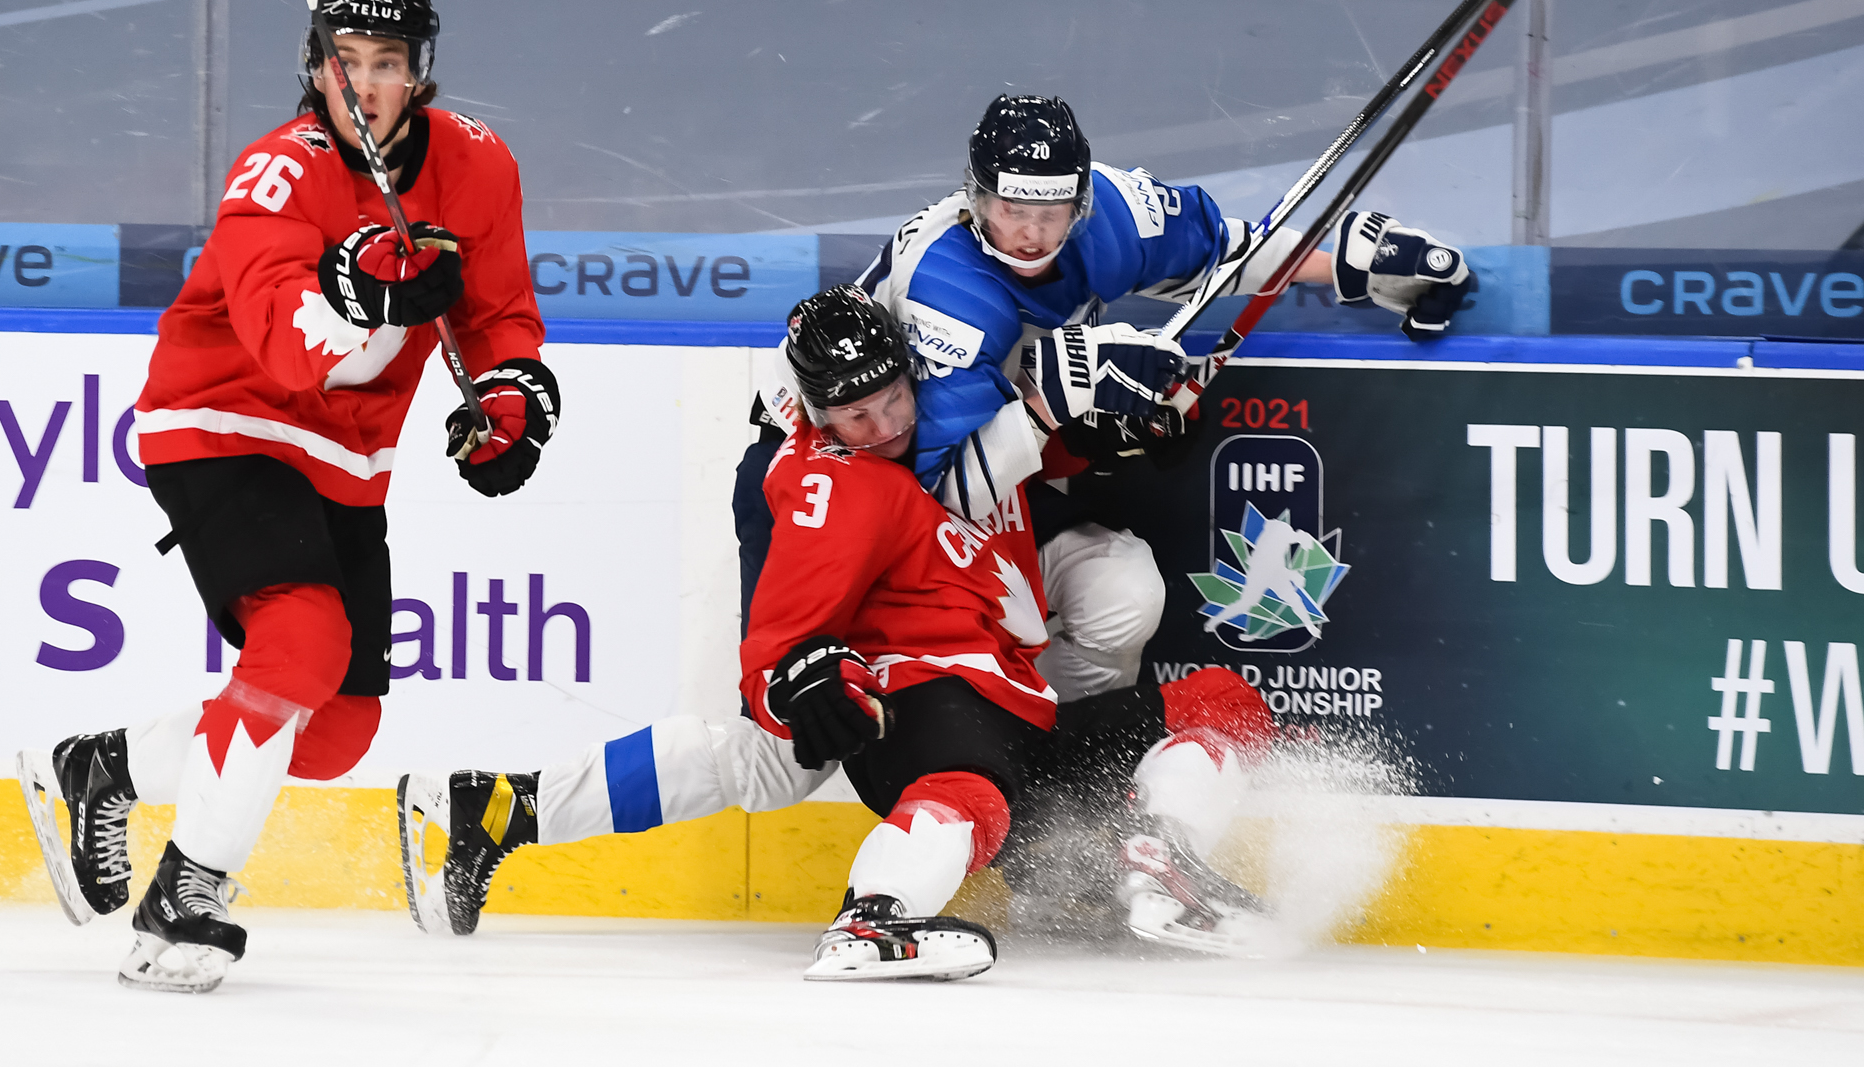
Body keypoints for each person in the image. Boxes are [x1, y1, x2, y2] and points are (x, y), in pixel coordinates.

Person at [400, 287, 1281, 978]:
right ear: (819, 415)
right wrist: (792, 674)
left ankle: (1156, 854)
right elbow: (780, 630)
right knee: (828, 761)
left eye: (895, 399)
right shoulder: (837, 484)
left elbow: (1053, 441)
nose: (886, 427)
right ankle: (874, 916)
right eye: (856, 416)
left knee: (1223, 700)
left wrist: (1144, 419)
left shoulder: (951, 422)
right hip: (929, 697)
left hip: (1020, 701)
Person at [17, 0, 559, 994]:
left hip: (348, 461)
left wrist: (510, 402)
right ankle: (186, 893)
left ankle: (100, 768)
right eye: (344, 62)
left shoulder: (480, 165)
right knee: (300, 639)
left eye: (386, 64)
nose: (363, 84)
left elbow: (494, 312)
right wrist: (371, 300)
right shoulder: (278, 170)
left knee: (337, 728)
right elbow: (283, 338)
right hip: (224, 420)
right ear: (314, 68)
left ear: (419, 72)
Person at [736, 93, 1473, 703]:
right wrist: (1056, 401)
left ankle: (1044, 754)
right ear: (973, 198)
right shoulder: (952, 297)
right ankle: (956, 748)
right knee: (800, 710)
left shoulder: (1114, 215)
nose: (1027, 232)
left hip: (974, 458)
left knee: (1123, 596)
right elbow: (927, 506)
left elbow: (1231, 254)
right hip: (837, 473)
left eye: (1050, 212)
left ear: (1082, 202)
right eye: (1006, 209)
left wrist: (1353, 264)